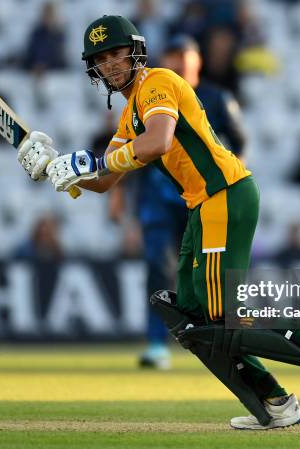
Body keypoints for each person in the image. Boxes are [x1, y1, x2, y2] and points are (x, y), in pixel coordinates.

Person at [15, 15, 300, 429]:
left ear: (135, 51)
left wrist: (90, 161)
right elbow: (105, 180)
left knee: (223, 319)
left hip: (226, 196)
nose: (110, 64)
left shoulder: (158, 82)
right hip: (202, 208)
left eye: (116, 53)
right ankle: (275, 402)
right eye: (101, 58)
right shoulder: (130, 113)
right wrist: (58, 169)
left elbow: (158, 141)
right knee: (193, 320)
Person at [111, 34, 248, 369]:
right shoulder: (147, 98)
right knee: (158, 270)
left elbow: (239, 142)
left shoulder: (216, 98)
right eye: (174, 55)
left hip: (205, 198)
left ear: (198, 61)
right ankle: (158, 344)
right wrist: (117, 195)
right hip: (160, 200)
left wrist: (229, 184)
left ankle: (231, 341)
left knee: (212, 280)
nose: (180, 61)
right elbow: (133, 151)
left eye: (186, 55)